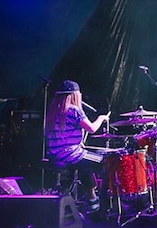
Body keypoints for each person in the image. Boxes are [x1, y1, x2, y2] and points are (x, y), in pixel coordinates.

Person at [45, 80, 110, 212]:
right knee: (107, 161)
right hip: (71, 154)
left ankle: (72, 197)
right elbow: (91, 129)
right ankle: (96, 200)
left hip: (55, 154)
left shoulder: (53, 111)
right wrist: (101, 118)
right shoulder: (74, 110)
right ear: (74, 95)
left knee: (86, 159)